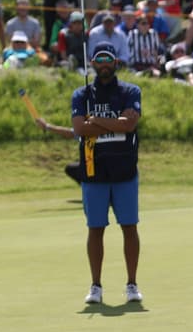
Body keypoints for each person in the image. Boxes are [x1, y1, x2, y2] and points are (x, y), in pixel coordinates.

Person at [53, 42, 144, 305]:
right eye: (99, 60)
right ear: (92, 63)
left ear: (116, 63)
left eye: (108, 60)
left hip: (125, 170)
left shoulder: (130, 91)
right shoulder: (81, 95)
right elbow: (80, 129)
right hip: (93, 171)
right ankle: (96, 286)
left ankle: (131, 284)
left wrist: (97, 122)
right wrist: (108, 124)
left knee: (129, 227)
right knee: (95, 228)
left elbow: (129, 125)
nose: (104, 65)